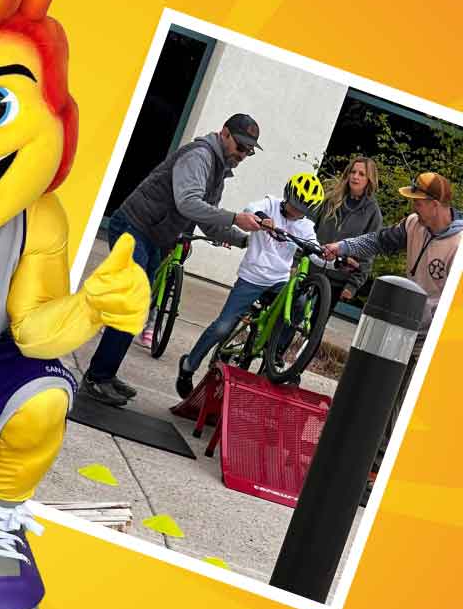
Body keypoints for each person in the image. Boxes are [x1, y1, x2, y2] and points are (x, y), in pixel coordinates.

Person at [81, 113, 266, 406]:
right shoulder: (201, 156)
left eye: (248, 151)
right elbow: (189, 202)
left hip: (154, 237)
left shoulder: (219, 169)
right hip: (134, 226)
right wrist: (235, 218)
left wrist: (244, 240)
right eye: (240, 147)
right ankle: (95, 379)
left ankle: (105, 374)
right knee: (131, 304)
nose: (242, 154)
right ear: (224, 134)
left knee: (139, 308)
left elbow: (209, 220)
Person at [324, 172, 462, 503]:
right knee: (380, 396)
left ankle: (378, 474)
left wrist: (418, 315)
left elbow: (450, 304)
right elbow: (377, 240)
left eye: (417, 200)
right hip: (406, 324)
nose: (411, 205)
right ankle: (364, 464)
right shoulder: (415, 223)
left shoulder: (458, 245)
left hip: (433, 336)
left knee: (402, 403)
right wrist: (342, 246)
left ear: (435, 204)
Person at [175, 173, 323, 395]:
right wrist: (263, 219)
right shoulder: (269, 204)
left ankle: (275, 353)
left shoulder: (305, 227)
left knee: (300, 303)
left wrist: (332, 257)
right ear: (287, 197)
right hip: (251, 278)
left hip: (279, 282)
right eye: (294, 205)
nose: (296, 212)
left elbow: (317, 254)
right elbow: (250, 208)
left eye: (302, 210)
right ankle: (188, 365)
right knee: (222, 327)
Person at [311, 156, 384, 304]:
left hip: (338, 278)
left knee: (316, 325)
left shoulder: (373, 213)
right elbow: (308, 228)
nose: (355, 177)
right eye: (353, 172)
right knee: (293, 312)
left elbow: (368, 252)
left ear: (369, 179)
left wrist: (352, 286)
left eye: (362, 174)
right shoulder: (330, 199)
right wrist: (296, 261)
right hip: (312, 268)